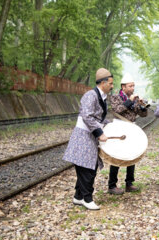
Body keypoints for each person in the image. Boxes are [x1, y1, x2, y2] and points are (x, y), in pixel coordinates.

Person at [63, 68, 114, 210]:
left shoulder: (102, 97)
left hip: (89, 136)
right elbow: (87, 116)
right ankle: (87, 198)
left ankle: (78, 197)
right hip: (83, 136)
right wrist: (99, 132)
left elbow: (98, 118)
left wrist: (111, 125)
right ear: (103, 83)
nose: (112, 86)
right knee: (87, 168)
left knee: (88, 166)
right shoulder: (90, 95)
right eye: (110, 83)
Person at [107, 72, 148, 195]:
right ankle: (112, 185)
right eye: (130, 86)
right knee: (117, 156)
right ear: (123, 87)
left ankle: (129, 183)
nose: (133, 88)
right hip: (119, 128)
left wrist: (142, 106)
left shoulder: (134, 98)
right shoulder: (115, 97)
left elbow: (143, 115)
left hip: (131, 128)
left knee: (132, 155)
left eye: (133, 86)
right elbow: (117, 110)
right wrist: (129, 101)